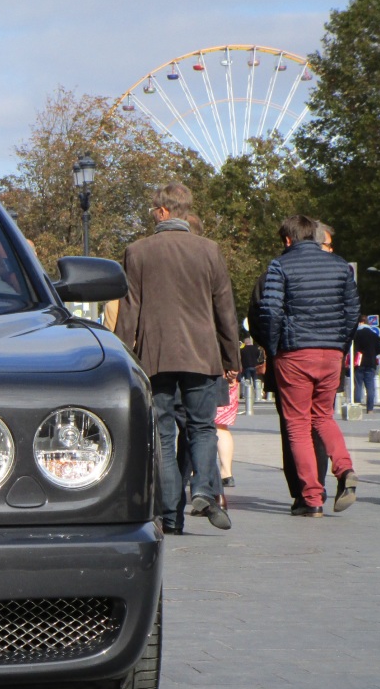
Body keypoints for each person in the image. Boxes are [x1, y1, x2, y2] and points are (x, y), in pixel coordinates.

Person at [114, 183, 240, 533]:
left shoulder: (138, 251)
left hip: (156, 356)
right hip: (202, 354)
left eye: (154, 208)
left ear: (163, 212)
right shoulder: (209, 250)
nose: (152, 213)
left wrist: (121, 357)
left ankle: (170, 515)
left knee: (163, 435)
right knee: (203, 428)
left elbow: (129, 312)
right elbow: (224, 309)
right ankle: (203, 490)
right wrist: (232, 357)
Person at [257, 215, 360, 517]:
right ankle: (344, 469)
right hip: (331, 353)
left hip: (295, 352)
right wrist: (340, 343)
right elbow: (353, 310)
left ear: (288, 240)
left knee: (298, 426)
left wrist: (275, 348)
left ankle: (312, 498)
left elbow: (271, 311)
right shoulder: (341, 266)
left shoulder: (280, 266)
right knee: (323, 417)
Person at [351, 314, 380, 413]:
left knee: (358, 385)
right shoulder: (374, 335)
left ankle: (357, 407)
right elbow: (378, 349)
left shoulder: (355, 334)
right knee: (370, 386)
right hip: (371, 363)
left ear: (360, 322)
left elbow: (352, 349)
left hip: (358, 363)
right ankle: (370, 409)